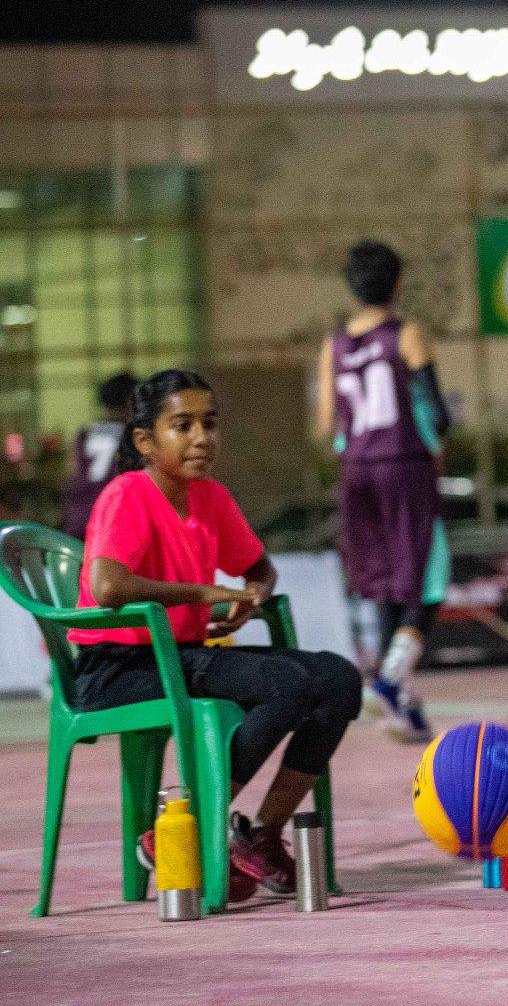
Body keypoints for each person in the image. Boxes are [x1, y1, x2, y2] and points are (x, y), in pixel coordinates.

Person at [69, 370, 362, 900]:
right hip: (119, 668)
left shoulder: (210, 497)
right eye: (182, 426)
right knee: (284, 684)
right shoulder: (128, 494)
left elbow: (260, 568)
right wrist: (205, 595)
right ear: (145, 440)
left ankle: (260, 836)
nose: (202, 438)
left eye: (209, 424)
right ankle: (187, 828)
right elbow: (107, 586)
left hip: (182, 655)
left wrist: (252, 597)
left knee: (338, 679)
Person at [316, 241, 452, 744]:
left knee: (383, 581)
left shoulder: (332, 346)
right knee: (429, 577)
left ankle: (405, 703)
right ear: (397, 283)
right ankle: (391, 682)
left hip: (355, 471)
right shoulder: (406, 334)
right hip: (403, 466)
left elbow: (327, 424)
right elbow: (438, 412)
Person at [60, 372, 136, 540]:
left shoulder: (83, 435)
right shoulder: (132, 436)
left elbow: (71, 475)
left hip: (78, 522)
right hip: (111, 524)